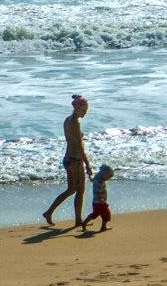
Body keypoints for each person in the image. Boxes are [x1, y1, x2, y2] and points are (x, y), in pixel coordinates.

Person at [42, 94, 93, 226]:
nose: (86, 112)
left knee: (71, 190)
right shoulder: (75, 123)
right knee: (80, 191)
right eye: (85, 109)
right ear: (78, 108)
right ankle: (78, 220)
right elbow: (80, 147)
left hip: (68, 159)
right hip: (75, 160)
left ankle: (49, 212)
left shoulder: (67, 120)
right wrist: (87, 164)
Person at [81, 165, 114, 231]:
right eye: (108, 177)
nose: (108, 179)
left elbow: (92, 180)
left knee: (95, 214)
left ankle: (84, 223)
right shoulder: (100, 181)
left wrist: (90, 176)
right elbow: (98, 191)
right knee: (106, 214)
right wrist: (101, 199)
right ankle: (103, 227)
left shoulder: (97, 177)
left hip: (96, 202)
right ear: (104, 174)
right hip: (100, 202)